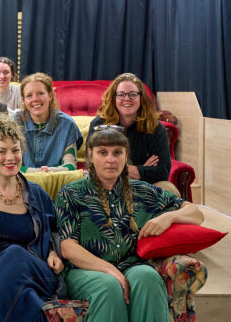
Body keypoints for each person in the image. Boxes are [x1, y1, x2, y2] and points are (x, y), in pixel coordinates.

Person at [55, 127, 204, 321]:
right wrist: (111, 271)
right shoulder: (71, 193)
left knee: (148, 277)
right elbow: (68, 248)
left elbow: (196, 214)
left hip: (133, 265)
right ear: (90, 156)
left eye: (118, 152)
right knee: (109, 286)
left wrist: (167, 217)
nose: (111, 159)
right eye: (103, 152)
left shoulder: (143, 191)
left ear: (126, 156)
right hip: (86, 270)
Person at [0, 112, 63, 322]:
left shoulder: (36, 193)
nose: (10, 158)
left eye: (15, 150)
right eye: (2, 151)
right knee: (26, 301)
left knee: (14, 253)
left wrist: (53, 251)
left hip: (37, 271)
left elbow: (57, 228)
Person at [88, 72, 177, 195]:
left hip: (146, 184)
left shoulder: (155, 127)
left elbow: (163, 171)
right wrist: (141, 169)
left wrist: (128, 170)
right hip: (106, 183)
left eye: (133, 94)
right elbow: (92, 164)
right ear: (114, 98)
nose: (127, 99)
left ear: (141, 97)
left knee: (169, 190)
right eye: (121, 95)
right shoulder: (99, 125)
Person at [14, 73, 83, 172]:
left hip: (56, 181)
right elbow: (10, 164)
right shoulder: (15, 122)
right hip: (22, 182)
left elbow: (70, 165)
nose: (35, 99)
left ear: (50, 96)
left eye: (40, 93)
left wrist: (50, 171)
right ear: (24, 100)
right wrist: (35, 173)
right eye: (29, 95)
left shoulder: (67, 123)